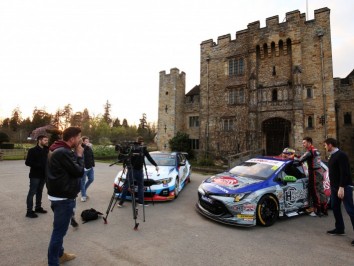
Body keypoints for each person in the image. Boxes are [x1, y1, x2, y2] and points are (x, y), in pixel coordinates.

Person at [46, 127, 84, 265]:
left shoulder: (56, 148)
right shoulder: (63, 152)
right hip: (63, 198)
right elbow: (79, 171)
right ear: (72, 139)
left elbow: (66, 170)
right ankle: (53, 262)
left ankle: (60, 254)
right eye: (79, 137)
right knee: (59, 232)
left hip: (58, 195)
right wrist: (79, 155)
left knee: (59, 228)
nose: (80, 140)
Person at [324, 138, 354, 245]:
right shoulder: (332, 155)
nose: (325, 147)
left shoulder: (342, 155)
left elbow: (345, 172)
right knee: (335, 207)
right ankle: (340, 228)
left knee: (350, 210)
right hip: (335, 187)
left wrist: (341, 187)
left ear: (330, 145)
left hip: (344, 187)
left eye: (325, 145)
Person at [118, 136, 159, 207]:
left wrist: (155, 165)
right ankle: (123, 202)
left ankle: (135, 202)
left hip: (137, 170)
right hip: (134, 170)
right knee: (130, 185)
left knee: (134, 186)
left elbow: (148, 157)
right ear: (140, 142)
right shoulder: (136, 148)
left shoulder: (140, 149)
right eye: (141, 141)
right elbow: (127, 157)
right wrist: (156, 165)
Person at [296, 137, 327, 217]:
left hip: (314, 172)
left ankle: (318, 210)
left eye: (304, 143)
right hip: (320, 171)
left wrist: (293, 157)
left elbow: (300, 160)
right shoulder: (316, 150)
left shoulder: (310, 151)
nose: (303, 144)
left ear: (309, 143)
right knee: (321, 190)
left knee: (315, 191)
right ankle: (324, 209)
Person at [25, 135, 49, 218]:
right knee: (32, 192)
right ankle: (29, 211)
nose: (46, 142)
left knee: (40, 191)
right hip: (35, 175)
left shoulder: (47, 150)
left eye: (47, 140)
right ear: (39, 140)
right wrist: (39, 165)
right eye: (45, 140)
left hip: (43, 175)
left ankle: (38, 207)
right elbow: (27, 162)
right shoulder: (32, 150)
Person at [80, 136, 95, 202]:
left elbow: (91, 156)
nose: (87, 142)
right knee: (82, 182)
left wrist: (92, 164)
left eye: (88, 141)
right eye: (86, 141)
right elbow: (82, 153)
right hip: (84, 168)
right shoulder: (81, 147)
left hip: (90, 167)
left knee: (91, 179)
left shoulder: (89, 148)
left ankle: (83, 191)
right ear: (83, 142)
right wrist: (87, 146)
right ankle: (83, 195)